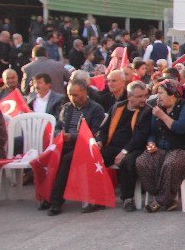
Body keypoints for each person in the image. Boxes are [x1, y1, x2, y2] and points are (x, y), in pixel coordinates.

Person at [43, 79, 107, 216]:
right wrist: (59, 134)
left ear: (84, 92)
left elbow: (94, 134)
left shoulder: (96, 109)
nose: (72, 98)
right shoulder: (67, 107)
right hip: (65, 143)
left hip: (84, 147)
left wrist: (71, 137)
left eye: (75, 95)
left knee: (65, 160)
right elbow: (59, 126)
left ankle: (55, 202)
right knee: (48, 157)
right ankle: (47, 196)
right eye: (70, 95)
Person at [138, 80, 185, 213]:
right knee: (142, 162)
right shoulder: (158, 108)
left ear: (172, 94)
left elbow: (180, 128)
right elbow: (152, 133)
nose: (158, 97)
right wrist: (151, 143)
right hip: (162, 149)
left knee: (170, 164)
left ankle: (159, 200)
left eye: (160, 93)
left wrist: (162, 116)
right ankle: (167, 197)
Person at [103, 81, 153, 212]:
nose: (144, 99)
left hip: (134, 148)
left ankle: (127, 198)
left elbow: (140, 137)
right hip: (113, 146)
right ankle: (97, 197)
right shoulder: (117, 107)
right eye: (140, 96)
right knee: (95, 157)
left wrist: (124, 151)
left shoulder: (147, 111)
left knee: (127, 161)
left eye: (145, 95)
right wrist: (99, 142)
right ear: (130, 97)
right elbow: (104, 128)